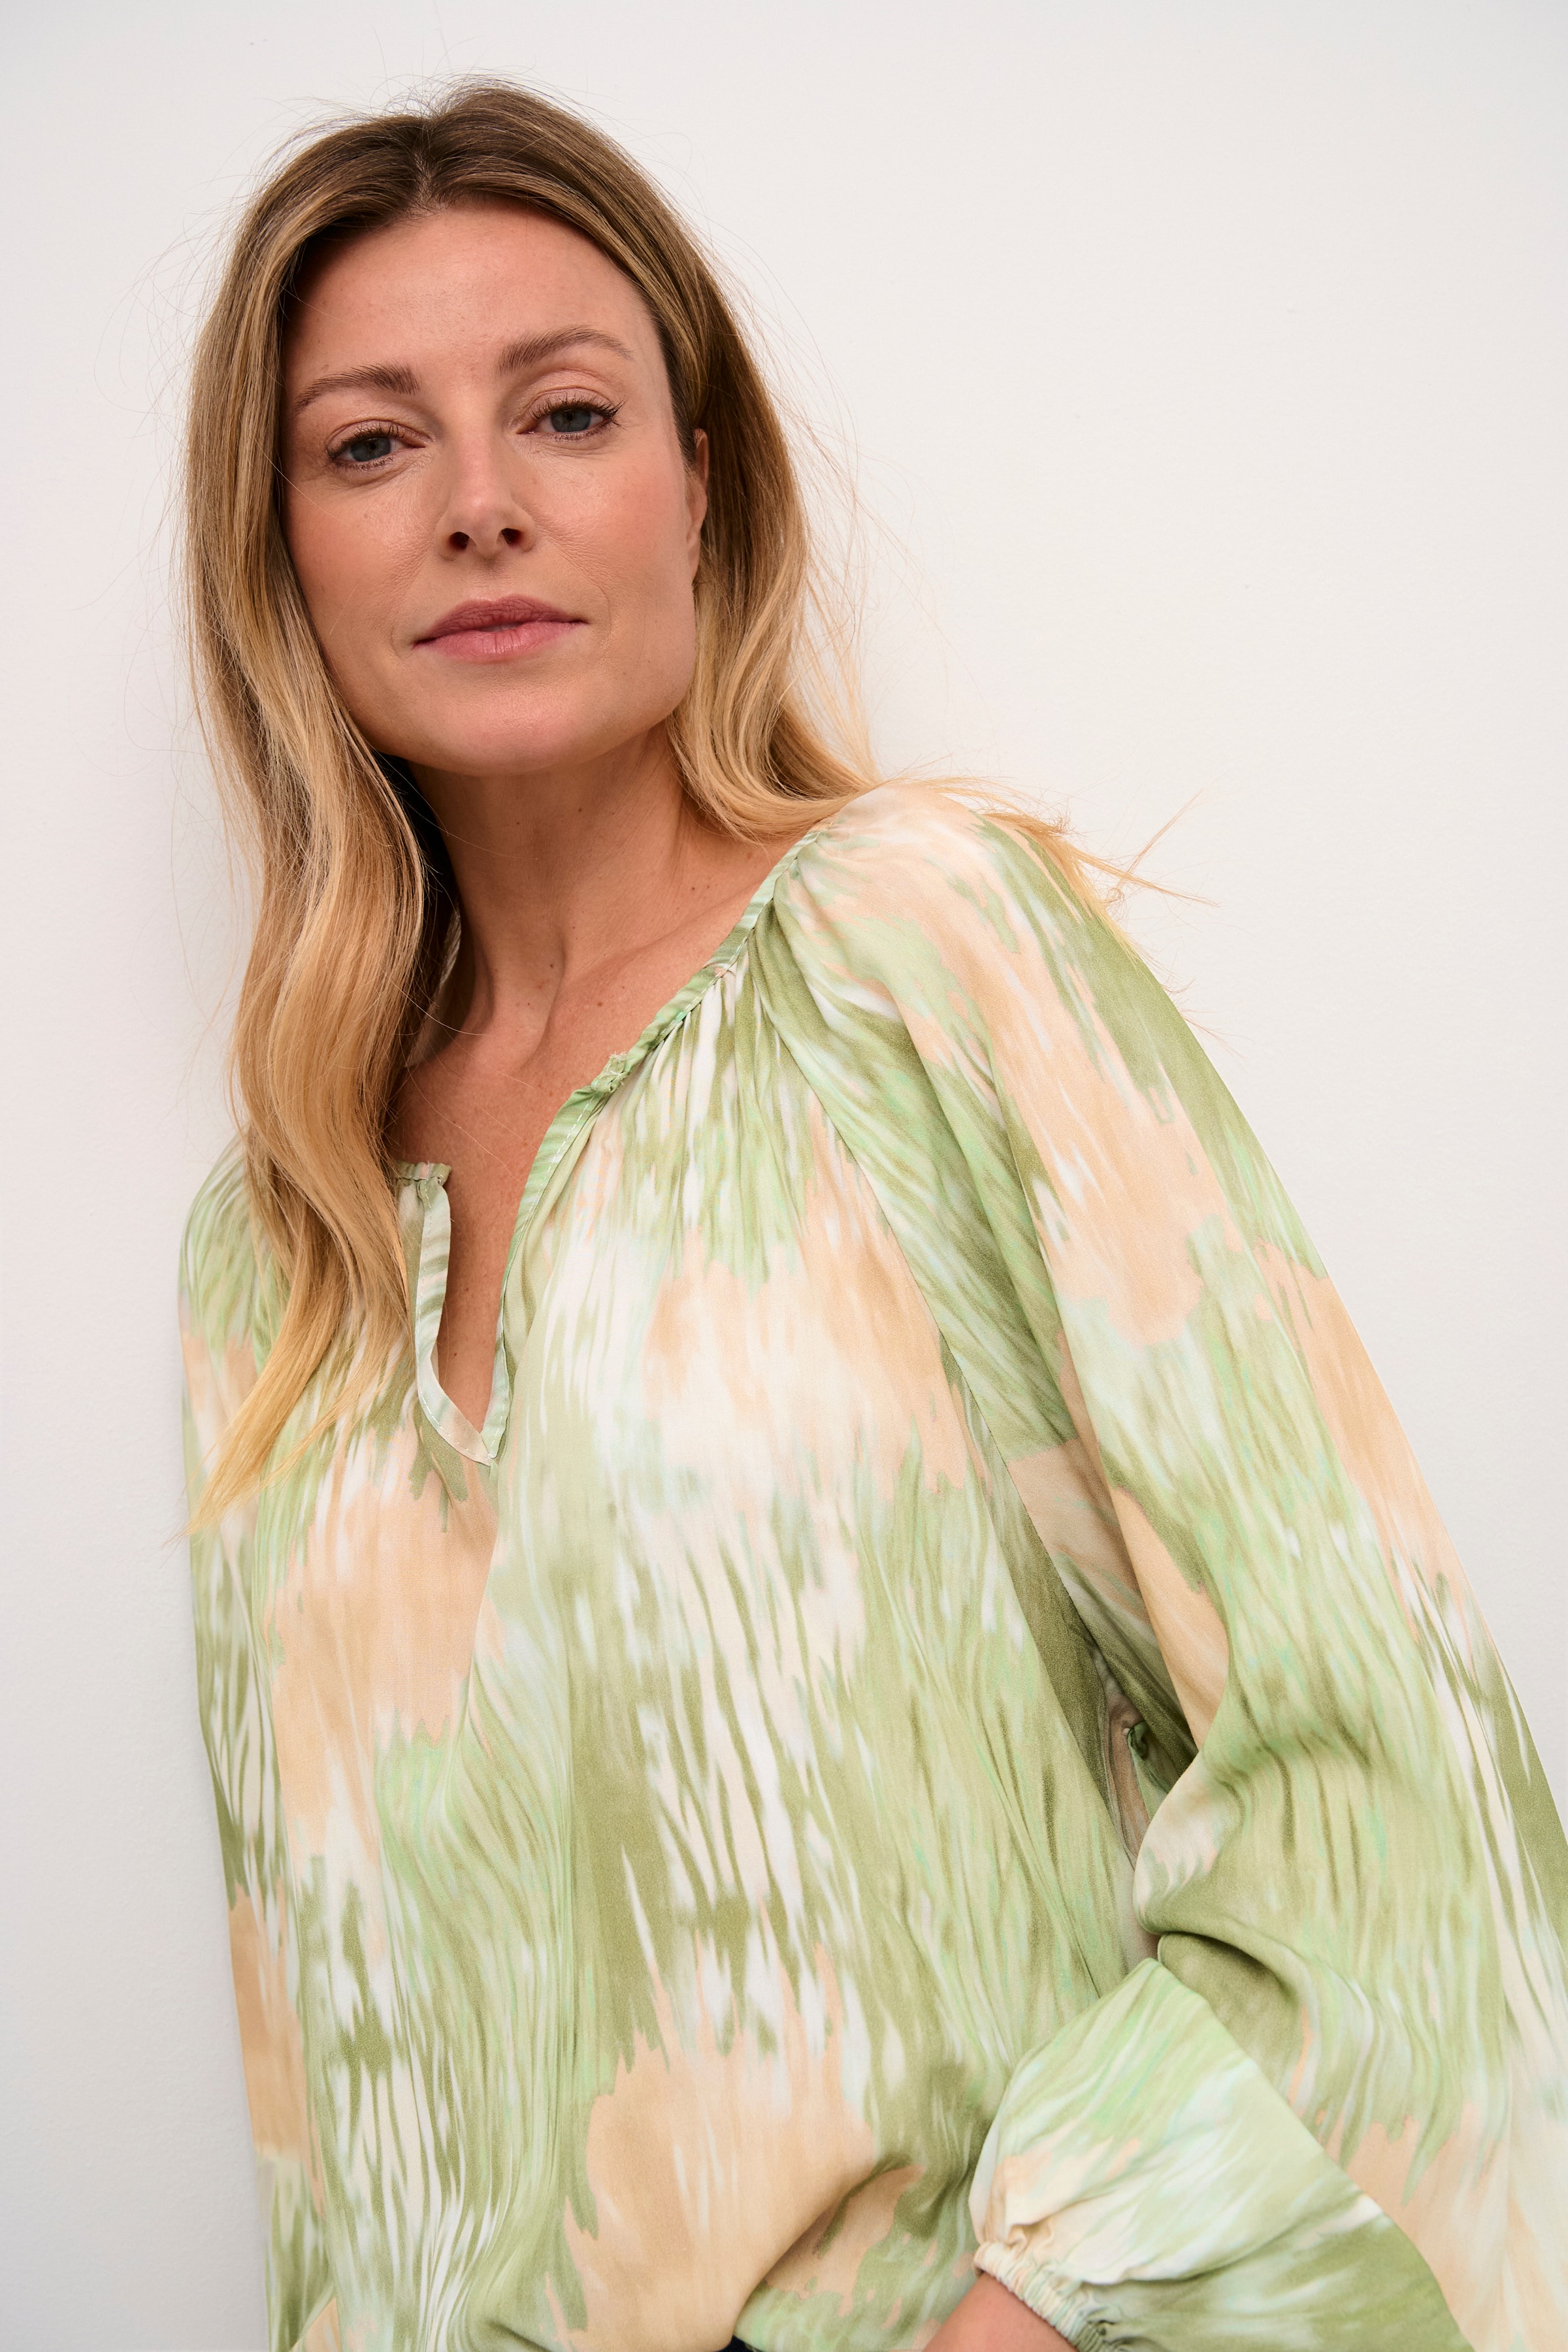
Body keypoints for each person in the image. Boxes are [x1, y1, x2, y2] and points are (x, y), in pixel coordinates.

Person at [178, 78, 1568, 2352]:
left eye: (566, 412)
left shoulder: (920, 958)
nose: (480, 504)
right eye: (370, 444)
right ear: (281, 557)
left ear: (700, 486)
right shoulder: (276, 1245)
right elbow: (352, 2101)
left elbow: (1384, 1784)